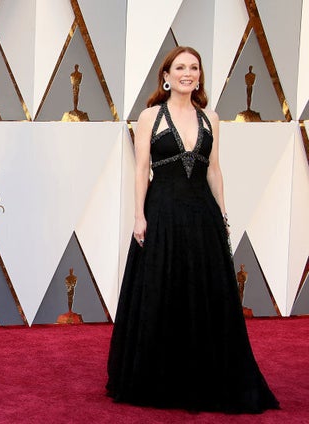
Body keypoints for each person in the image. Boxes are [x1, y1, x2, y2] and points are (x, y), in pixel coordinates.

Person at [105, 46, 279, 413]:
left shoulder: (210, 118)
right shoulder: (149, 116)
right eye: (180, 67)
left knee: (205, 291)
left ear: (199, 76)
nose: (188, 73)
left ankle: (206, 373)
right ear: (166, 76)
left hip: (203, 215)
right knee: (161, 288)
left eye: (194, 68)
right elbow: (140, 170)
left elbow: (214, 169)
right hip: (162, 212)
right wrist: (139, 215)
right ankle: (157, 376)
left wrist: (224, 213)